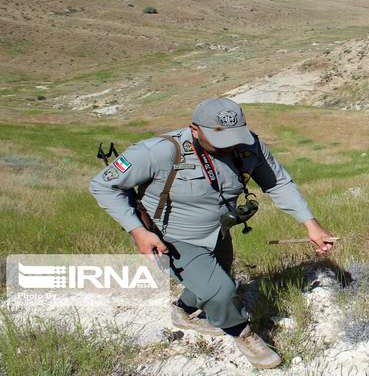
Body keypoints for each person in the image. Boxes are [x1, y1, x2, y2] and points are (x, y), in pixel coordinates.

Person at [89, 97, 334, 369]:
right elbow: (103, 186)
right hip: (174, 237)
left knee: (216, 277)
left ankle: (182, 309)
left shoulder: (249, 146)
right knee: (222, 291)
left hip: (219, 231)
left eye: (235, 136)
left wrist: (310, 224)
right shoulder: (157, 152)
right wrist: (137, 231)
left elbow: (278, 183)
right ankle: (242, 333)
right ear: (195, 130)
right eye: (221, 139)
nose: (230, 144)